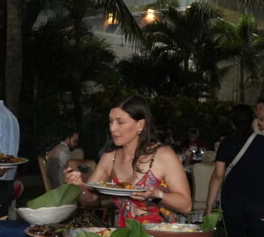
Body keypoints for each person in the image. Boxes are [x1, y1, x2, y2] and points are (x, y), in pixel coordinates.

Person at [64, 95, 191, 226]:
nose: (112, 128)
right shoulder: (109, 158)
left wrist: (157, 195)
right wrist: (78, 186)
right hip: (124, 235)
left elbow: (186, 206)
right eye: (111, 121)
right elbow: (90, 200)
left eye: (120, 122)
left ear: (140, 125)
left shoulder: (162, 155)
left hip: (160, 234)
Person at [205, 104, 264, 237]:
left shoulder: (226, 143)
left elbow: (218, 176)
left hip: (232, 200)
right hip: (259, 200)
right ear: (252, 121)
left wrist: (209, 205)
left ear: (232, 123)